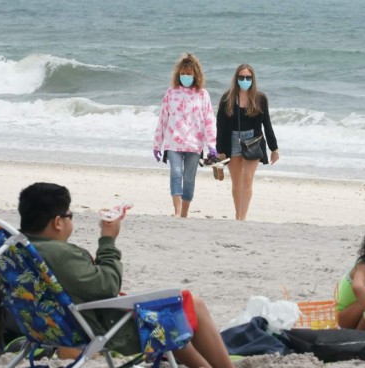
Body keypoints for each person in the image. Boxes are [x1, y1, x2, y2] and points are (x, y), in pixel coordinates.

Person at [16, 182, 233, 368]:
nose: (71, 221)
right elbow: (108, 286)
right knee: (191, 305)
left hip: (46, 327)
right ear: (57, 222)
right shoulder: (59, 253)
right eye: (69, 216)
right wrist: (108, 240)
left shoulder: (16, 252)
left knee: (174, 313)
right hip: (102, 327)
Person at [153, 53, 217, 218]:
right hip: (173, 143)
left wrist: (212, 145)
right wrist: (157, 144)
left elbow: (209, 120)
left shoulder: (203, 94)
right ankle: (176, 211)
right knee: (176, 173)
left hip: (194, 144)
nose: (185, 77)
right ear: (178, 74)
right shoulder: (171, 93)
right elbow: (163, 119)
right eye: (182, 74)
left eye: (189, 74)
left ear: (195, 75)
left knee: (189, 179)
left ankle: (184, 213)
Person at [216, 64, 279, 221]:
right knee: (237, 183)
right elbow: (220, 126)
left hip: (253, 140)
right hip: (232, 141)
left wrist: (274, 148)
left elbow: (267, 124)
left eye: (248, 78)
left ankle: (243, 217)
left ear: (253, 79)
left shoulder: (260, 99)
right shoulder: (227, 98)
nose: (245, 80)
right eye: (242, 77)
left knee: (248, 180)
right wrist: (219, 151)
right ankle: (238, 215)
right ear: (236, 79)